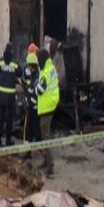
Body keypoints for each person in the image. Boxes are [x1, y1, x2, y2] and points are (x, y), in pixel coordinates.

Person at [35, 48, 60, 178]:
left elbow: (39, 90)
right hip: (52, 104)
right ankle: (46, 161)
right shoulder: (51, 68)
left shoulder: (45, 73)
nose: (37, 62)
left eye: (38, 59)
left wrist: (34, 86)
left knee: (45, 138)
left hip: (46, 107)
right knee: (45, 135)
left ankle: (50, 168)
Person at [0, 43, 21, 147]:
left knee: (1, 118)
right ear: (12, 51)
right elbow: (20, 73)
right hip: (10, 96)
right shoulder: (14, 63)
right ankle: (8, 140)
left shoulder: (1, 61)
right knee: (9, 120)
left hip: (2, 96)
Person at [22, 50, 40, 145]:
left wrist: (29, 105)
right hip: (31, 108)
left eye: (29, 65)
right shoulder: (33, 75)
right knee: (29, 130)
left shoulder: (36, 78)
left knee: (35, 130)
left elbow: (35, 94)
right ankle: (28, 152)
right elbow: (30, 90)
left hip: (34, 109)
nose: (27, 67)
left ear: (32, 66)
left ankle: (43, 151)